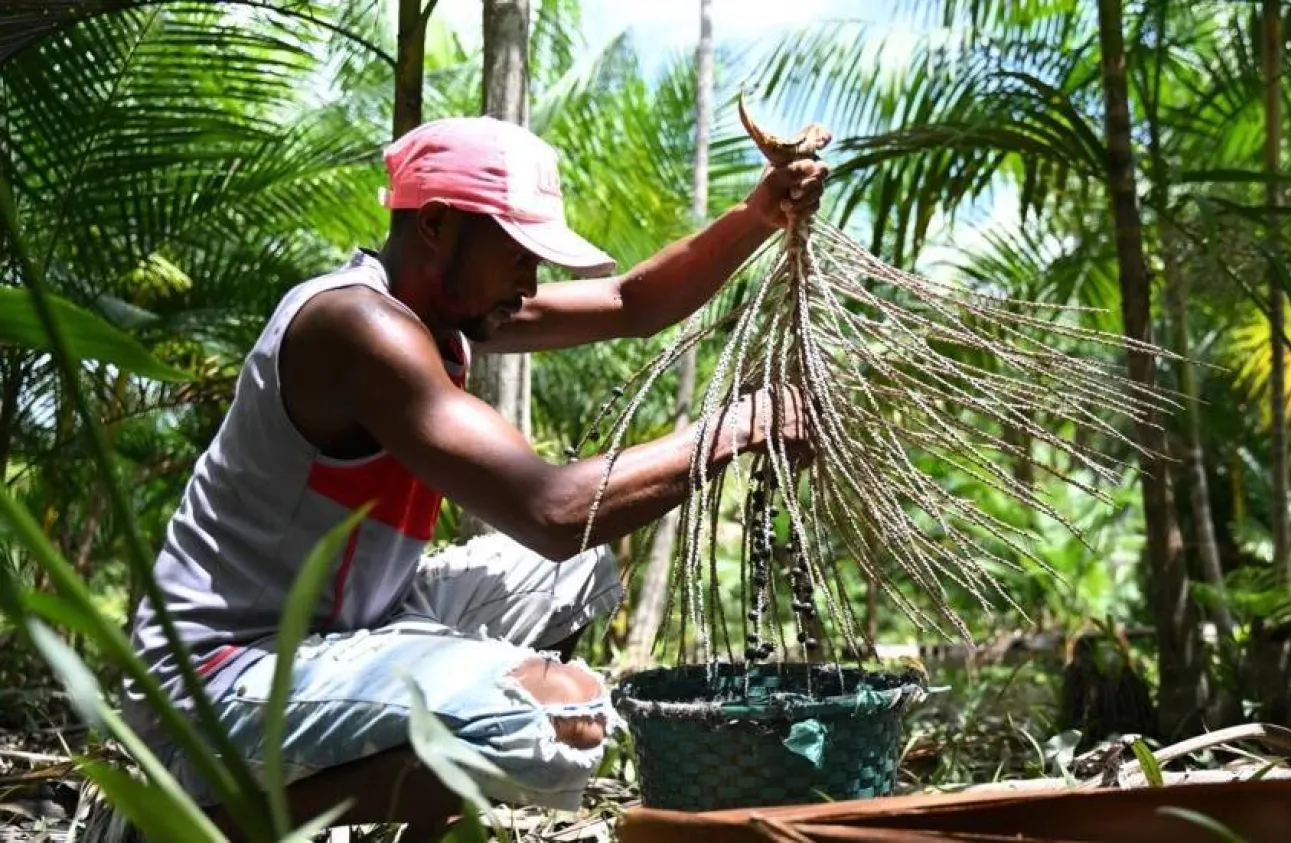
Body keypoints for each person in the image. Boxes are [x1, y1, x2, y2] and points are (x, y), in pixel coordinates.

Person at [121, 115, 827, 839]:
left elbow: (629, 305)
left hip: (355, 622)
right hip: (218, 675)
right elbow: (553, 510)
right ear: (434, 225)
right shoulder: (358, 327)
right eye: (518, 253)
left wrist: (757, 213)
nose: (531, 278)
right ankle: (192, 823)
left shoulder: (444, 314)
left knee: (578, 572)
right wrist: (742, 425)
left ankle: (406, 804)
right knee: (562, 716)